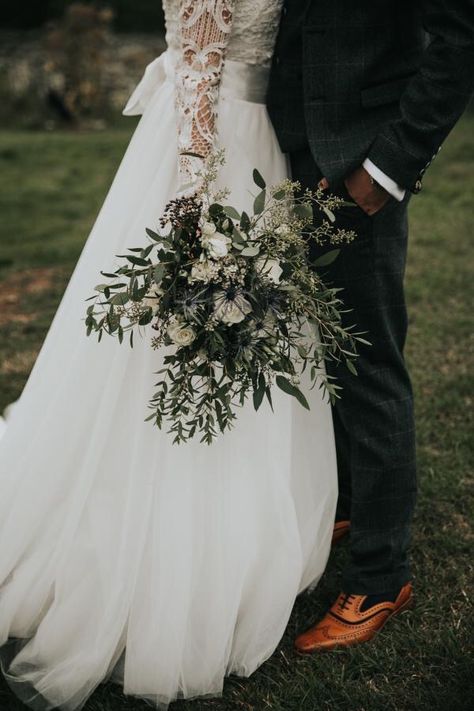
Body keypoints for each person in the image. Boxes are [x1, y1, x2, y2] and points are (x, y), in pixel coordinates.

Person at [0, 2, 339, 709]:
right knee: (186, 334)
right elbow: (196, 63)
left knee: (251, 338)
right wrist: (192, 196)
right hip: (211, 146)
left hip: (252, 138)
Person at [267, 0, 474, 651]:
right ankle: (351, 504)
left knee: (369, 365)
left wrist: (386, 167)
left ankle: (382, 576)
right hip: (282, 155)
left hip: (358, 160)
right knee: (322, 353)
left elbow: (460, 37)